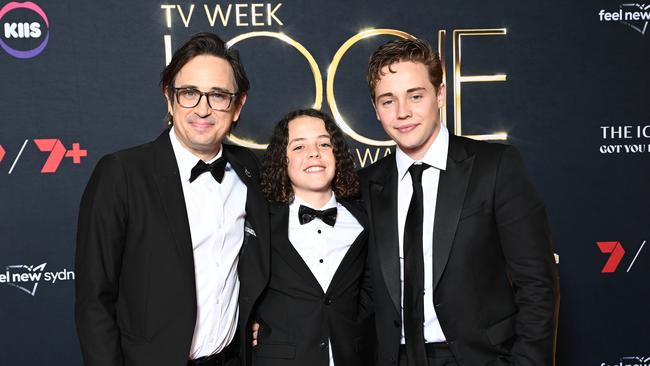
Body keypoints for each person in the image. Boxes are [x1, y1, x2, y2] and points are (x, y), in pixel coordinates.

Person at [358, 38, 560, 366]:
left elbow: (536, 281)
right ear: (375, 109)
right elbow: (351, 290)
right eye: (387, 100)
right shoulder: (366, 184)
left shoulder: (494, 166)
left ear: (439, 95)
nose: (402, 112)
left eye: (415, 96)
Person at [75, 32, 270, 366]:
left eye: (219, 95)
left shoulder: (252, 171)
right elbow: (95, 300)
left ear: (238, 106)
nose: (203, 109)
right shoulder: (122, 174)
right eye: (189, 93)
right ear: (169, 99)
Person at [252, 108, 374, 366]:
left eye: (324, 143)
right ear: (282, 159)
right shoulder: (261, 223)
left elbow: (374, 290)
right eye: (298, 147)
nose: (313, 153)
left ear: (336, 155)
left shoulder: (364, 220)